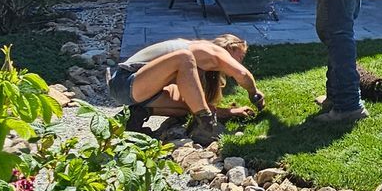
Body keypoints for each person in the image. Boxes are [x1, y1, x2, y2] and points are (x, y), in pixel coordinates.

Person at [106, 34, 265, 142]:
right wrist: (253, 92)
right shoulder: (211, 50)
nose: (240, 61)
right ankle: (207, 127)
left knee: (191, 103)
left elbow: (194, 102)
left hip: (135, 90)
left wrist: (231, 112)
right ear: (232, 47)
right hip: (124, 82)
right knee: (184, 57)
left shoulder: (200, 64)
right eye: (241, 56)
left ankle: (136, 115)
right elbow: (242, 74)